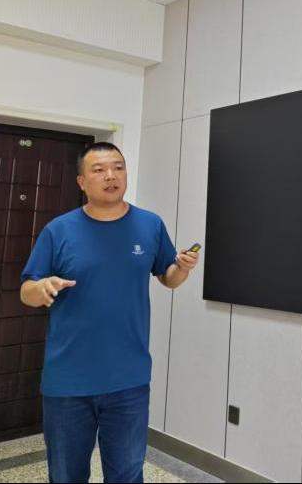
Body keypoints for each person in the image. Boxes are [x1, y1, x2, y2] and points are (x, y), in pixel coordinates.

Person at [20, 142, 198, 483]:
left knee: (127, 475)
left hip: (129, 378)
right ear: (81, 182)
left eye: (118, 167)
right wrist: (40, 289)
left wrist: (183, 269)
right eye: (99, 170)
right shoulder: (59, 230)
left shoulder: (150, 225)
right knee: (66, 476)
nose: (111, 176)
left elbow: (168, 277)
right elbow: (26, 290)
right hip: (68, 380)